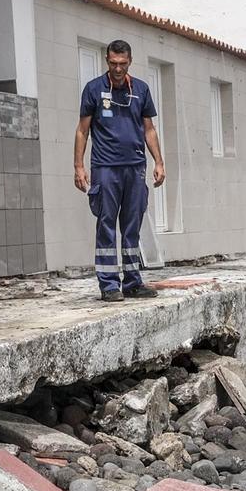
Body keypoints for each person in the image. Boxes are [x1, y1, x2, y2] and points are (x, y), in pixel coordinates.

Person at [74, 38, 166, 302]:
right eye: (113, 63)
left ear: (130, 62)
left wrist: (158, 161)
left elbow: (149, 129)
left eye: (122, 64)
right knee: (106, 224)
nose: (117, 68)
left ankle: (133, 282)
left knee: (132, 225)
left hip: (135, 167)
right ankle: (109, 285)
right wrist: (79, 165)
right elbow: (82, 130)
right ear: (106, 61)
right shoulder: (93, 89)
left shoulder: (141, 89)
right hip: (105, 168)